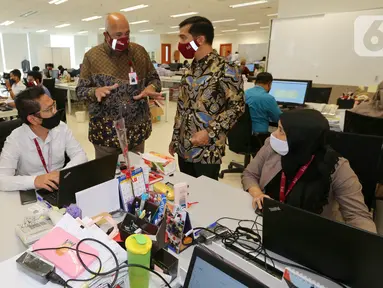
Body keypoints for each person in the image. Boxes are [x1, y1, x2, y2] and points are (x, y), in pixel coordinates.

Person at [242, 109, 376, 233]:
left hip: (312, 233)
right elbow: (249, 174)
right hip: (269, 222)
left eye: (281, 130)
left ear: (300, 137)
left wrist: (367, 251)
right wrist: (257, 193)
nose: (274, 135)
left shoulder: (336, 167)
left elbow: (358, 216)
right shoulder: (272, 148)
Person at [76, 12, 163, 159]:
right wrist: (94, 91)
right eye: (118, 35)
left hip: (137, 131)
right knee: (107, 177)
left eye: (127, 34)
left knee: (136, 176)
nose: (124, 39)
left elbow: (155, 80)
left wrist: (151, 88)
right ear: (106, 35)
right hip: (106, 133)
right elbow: (80, 90)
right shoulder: (92, 56)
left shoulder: (139, 52)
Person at [169, 16, 244, 180]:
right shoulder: (189, 69)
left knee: (205, 198)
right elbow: (182, 107)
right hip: (184, 147)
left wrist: (209, 132)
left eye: (183, 38)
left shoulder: (226, 69)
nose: (180, 44)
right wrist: (175, 138)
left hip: (207, 150)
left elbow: (237, 108)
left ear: (200, 39)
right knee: (186, 195)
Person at [0, 86, 88, 192]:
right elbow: (2, 180)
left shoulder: (61, 127)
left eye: (53, 105)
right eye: (49, 109)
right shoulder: (15, 139)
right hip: (31, 191)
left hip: (60, 186)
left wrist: (62, 173)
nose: (55, 111)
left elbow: (80, 155)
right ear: (33, 119)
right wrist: (35, 181)